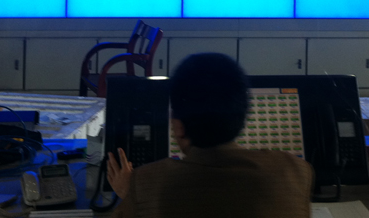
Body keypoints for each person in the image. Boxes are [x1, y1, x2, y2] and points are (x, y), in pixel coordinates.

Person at [107, 53, 313, 218]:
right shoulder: (295, 171)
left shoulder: (147, 182)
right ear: (242, 117)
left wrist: (129, 195)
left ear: (179, 127)